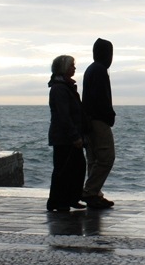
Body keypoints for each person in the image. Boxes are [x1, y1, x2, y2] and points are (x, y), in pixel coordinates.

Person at [46, 55, 87, 212]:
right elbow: (64, 115)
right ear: (63, 68)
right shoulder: (60, 89)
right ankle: (58, 201)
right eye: (71, 66)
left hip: (69, 136)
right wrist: (74, 136)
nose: (74, 68)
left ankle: (71, 198)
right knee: (63, 169)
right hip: (63, 138)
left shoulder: (66, 86)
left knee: (76, 167)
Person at [81, 38, 117, 209]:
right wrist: (109, 115)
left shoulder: (91, 69)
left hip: (90, 120)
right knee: (106, 157)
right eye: (110, 53)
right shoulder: (100, 70)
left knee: (94, 159)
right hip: (98, 121)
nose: (111, 58)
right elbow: (101, 99)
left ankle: (95, 193)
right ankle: (90, 191)